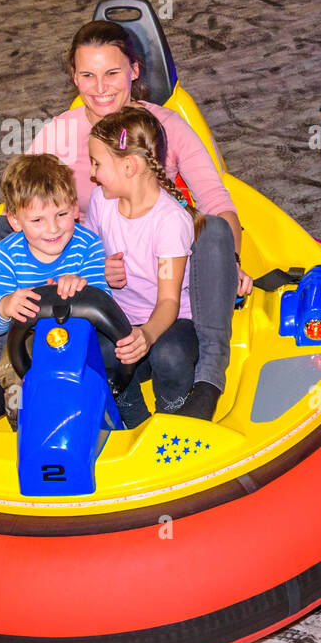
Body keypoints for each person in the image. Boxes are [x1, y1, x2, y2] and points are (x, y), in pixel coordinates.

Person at [0, 20, 246, 423]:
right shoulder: (60, 133)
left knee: (214, 230)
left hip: (152, 259)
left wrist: (232, 265)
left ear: (134, 70)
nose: (100, 88)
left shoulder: (165, 127)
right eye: (87, 75)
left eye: (112, 72)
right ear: (73, 76)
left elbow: (217, 202)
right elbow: (22, 203)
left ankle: (209, 379)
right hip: (82, 258)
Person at [0, 156, 111, 421]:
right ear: (15, 221)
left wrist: (83, 288)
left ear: (75, 208)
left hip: (79, 340)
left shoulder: (88, 245)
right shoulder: (6, 255)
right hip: (24, 344)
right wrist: (4, 306)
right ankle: (21, 422)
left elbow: (105, 302)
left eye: (62, 215)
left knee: (105, 361)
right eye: (37, 220)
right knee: (13, 374)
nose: (53, 229)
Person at [85, 107, 200, 427]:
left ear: (129, 166)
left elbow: (169, 301)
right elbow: (86, 254)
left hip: (171, 321)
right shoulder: (100, 201)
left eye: (97, 164)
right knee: (96, 350)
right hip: (120, 318)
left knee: (170, 355)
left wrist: (147, 335)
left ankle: (171, 419)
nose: (92, 173)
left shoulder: (169, 221)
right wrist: (100, 269)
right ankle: (135, 422)